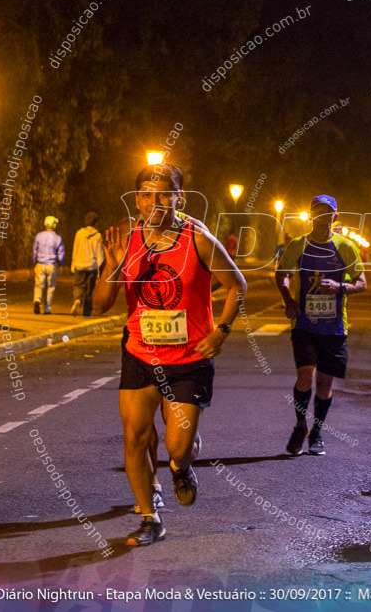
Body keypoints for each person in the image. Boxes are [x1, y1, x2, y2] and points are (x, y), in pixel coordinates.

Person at [92, 163, 246, 547]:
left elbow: (237, 285)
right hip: (140, 354)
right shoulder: (125, 240)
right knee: (135, 437)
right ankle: (150, 518)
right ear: (137, 199)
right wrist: (111, 266)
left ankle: (180, 466)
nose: (154, 202)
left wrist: (221, 331)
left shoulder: (198, 239)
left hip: (189, 359)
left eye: (164, 194)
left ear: (179, 197)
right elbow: (98, 306)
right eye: (146, 194)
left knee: (178, 445)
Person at [275, 195, 366, 456]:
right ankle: (300, 426)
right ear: (311, 216)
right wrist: (288, 300)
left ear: (335, 217)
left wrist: (340, 287)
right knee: (305, 376)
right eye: (318, 213)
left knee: (325, 383)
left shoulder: (346, 247)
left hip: (335, 327)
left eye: (328, 213)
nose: (323, 218)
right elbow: (281, 275)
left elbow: (362, 282)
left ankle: (316, 432)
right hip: (304, 323)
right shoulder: (298, 245)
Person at [71, 212, 105, 317]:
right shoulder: (97, 235)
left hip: (79, 264)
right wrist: (101, 270)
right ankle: (87, 312)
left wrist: (73, 263)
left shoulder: (79, 233)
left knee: (78, 285)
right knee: (90, 290)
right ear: (95, 223)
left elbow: (75, 248)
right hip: (92, 266)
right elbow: (99, 253)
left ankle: (77, 299)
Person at [33, 216, 65, 315]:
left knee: (39, 285)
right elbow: (61, 253)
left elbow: (35, 251)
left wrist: (34, 263)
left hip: (40, 264)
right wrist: (61, 264)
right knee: (51, 287)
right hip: (52, 264)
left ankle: (37, 300)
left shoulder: (39, 236)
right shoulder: (58, 238)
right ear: (54, 225)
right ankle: (47, 309)